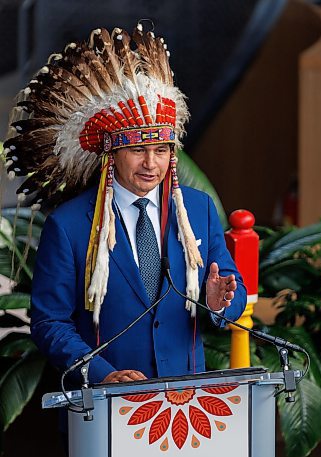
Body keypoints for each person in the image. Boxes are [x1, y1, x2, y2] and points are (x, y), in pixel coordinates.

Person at [4, 24, 247, 386]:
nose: (152, 164)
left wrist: (218, 302)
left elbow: (234, 289)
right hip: (103, 406)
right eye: (138, 150)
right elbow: (49, 322)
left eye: (161, 150)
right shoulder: (69, 224)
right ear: (111, 155)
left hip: (184, 402)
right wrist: (103, 374)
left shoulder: (198, 209)